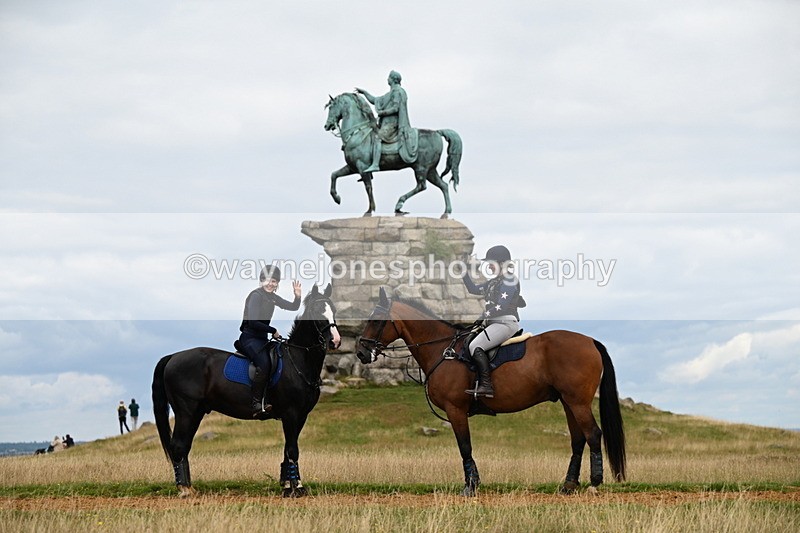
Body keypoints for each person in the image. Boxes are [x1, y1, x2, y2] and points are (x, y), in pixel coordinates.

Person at [238, 265, 301, 418]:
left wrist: (297, 297)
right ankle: (256, 403)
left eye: (274, 281)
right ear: (262, 280)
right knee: (264, 364)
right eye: (267, 280)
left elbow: (293, 307)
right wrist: (273, 330)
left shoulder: (272, 297)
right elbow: (253, 322)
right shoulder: (256, 295)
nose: (270, 284)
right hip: (249, 338)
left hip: (262, 340)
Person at [461, 245, 524, 398]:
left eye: (491, 263)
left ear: (501, 263)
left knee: (475, 346)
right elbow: (473, 289)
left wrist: (483, 316)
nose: (489, 266)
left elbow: (501, 306)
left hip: (505, 323)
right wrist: (464, 272)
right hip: (493, 322)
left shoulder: (509, 280)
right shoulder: (493, 282)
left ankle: (486, 386)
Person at [355, 70, 418, 171]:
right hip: (385, 124)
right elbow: (375, 100)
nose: (387, 79)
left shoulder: (398, 92)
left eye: (389, 77)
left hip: (392, 124)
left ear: (393, 79)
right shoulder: (390, 93)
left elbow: (396, 108)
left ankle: (375, 164)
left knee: (377, 137)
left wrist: (382, 113)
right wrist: (364, 93)